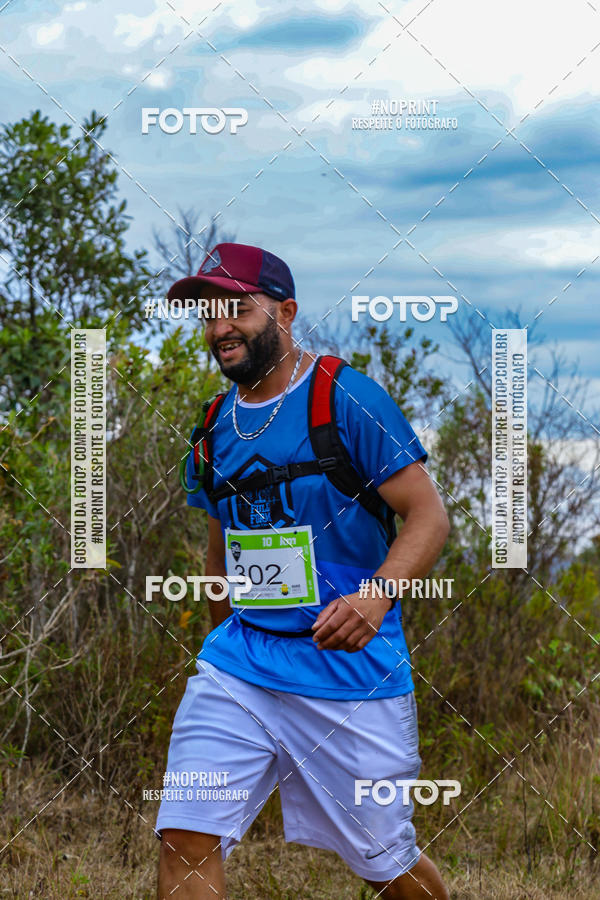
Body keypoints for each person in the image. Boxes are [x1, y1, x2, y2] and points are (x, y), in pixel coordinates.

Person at [155, 242, 450, 900]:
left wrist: (375, 597)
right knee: (185, 834)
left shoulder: (345, 398)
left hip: (349, 675)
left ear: (285, 312)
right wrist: (218, 643)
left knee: (385, 859)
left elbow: (428, 516)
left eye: (237, 308)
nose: (219, 326)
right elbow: (220, 556)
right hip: (240, 668)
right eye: (208, 313)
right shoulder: (213, 426)